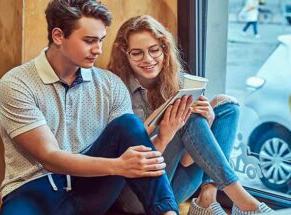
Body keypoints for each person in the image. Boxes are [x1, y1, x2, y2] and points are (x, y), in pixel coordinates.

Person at [0, 1, 191, 215]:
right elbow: (49, 156)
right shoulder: (17, 84)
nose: (98, 50)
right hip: (33, 188)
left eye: (101, 40)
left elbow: (130, 141)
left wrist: (163, 137)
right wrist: (118, 166)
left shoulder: (111, 84)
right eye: (89, 41)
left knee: (128, 124)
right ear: (58, 36)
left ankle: (167, 213)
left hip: (93, 187)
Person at [108, 15, 273, 215]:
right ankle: (247, 204)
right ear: (125, 54)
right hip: (138, 195)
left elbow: (187, 160)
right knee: (185, 116)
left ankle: (206, 200)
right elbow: (129, 166)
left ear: (164, 49)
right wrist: (165, 136)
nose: (148, 59)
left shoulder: (179, 84)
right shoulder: (116, 90)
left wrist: (208, 120)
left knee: (227, 105)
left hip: (173, 185)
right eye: (137, 53)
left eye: (154, 50)